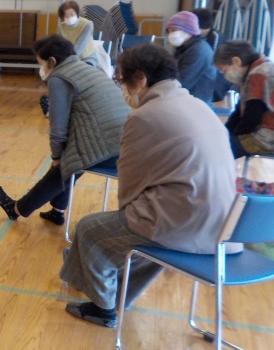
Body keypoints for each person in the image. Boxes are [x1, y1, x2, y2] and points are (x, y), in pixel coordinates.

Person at [60, 44, 236, 328]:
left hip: (188, 224)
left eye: (122, 80)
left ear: (140, 78)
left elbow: (129, 182)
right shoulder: (197, 105)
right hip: (226, 226)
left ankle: (102, 309)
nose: (123, 88)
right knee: (141, 236)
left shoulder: (145, 115)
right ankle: (118, 293)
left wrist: (127, 216)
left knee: (90, 229)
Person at [0, 35, 129, 225]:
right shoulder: (88, 69)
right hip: (130, 145)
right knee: (75, 158)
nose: (41, 69)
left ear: (52, 61)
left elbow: (58, 127)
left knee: (66, 163)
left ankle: (17, 209)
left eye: (41, 64)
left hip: (112, 150)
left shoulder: (59, 78)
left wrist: (56, 156)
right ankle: (57, 210)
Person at [214, 40, 274, 159]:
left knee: (217, 151)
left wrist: (231, 136)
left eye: (223, 70)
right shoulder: (258, 69)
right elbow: (239, 111)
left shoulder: (258, 74)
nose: (224, 75)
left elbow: (251, 118)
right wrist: (225, 132)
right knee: (220, 141)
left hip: (267, 137)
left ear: (236, 61)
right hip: (263, 131)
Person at [164, 10, 216, 104]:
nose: (171, 35)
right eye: (169, 31)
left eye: (174, 31)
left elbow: (182, 82)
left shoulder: (198, 50)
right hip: (187, 100)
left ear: (188, 30)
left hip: (196, 103)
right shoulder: (185, 47)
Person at [56, 0, 112, 76]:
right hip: (68, 59)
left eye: (72, 14)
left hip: (87, 58)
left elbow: (80, 46)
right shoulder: (61, 27)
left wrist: (67, 62)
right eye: (66, 16)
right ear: (62, 17)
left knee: (79, 74)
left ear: (77, 13)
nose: (69, 17)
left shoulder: (87, 24)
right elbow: (60, 45)